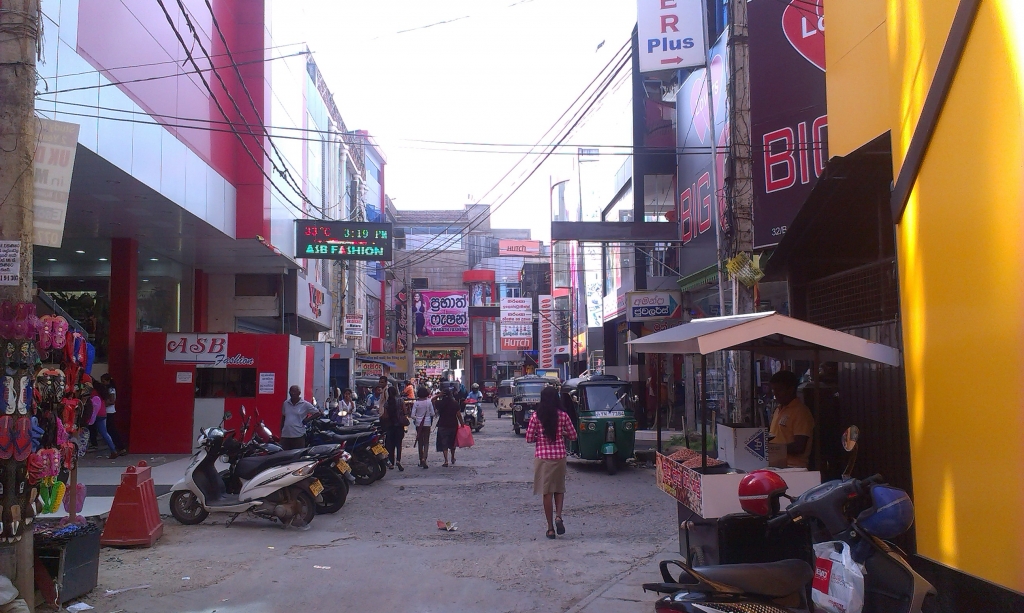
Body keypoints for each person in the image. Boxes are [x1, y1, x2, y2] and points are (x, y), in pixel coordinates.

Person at [526, 386, 577, 539]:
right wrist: (562, 433)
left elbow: (529, 438)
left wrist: (540, 437)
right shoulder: (563, 415)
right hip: (559, 456)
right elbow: (573, 436)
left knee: (546, 492)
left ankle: (550, 529)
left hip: (543, 458)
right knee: (559, 488)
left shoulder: (536, 416)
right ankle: (558, 516)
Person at [768, 370, 814, 468]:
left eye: (779, 390)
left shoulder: (801, 412)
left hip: (793, 467)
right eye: (773, 390)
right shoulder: (778, 409)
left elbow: (799, 446)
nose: (775, 394)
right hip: (776, 465)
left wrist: (772, 448)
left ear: (791, 389)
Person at [434, 387, 464, 467]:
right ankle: (452, 457)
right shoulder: (455, 403)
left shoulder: (440, 403)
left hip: (442, 425)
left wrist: (438, 395)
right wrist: (462, 424)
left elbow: (432, 400)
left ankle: (446, 461)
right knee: (452, 442)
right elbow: (459, 415)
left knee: (444, 443)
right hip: (453, 425)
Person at [98, 373, 127, 456]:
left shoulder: (111, 390)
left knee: (112, 430)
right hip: (108, 411)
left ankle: (120, 447)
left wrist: (103, 405)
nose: (103, 383)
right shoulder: (108, 389)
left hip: (109, 412)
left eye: (104, 381)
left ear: (108, 381)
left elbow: (112, 401)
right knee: (110, 430)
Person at [280, 385, 316, 450]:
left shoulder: (305, 404)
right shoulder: (286, 403)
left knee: (297, 454)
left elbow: (318, 413)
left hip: (298, 435)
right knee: (284, 454)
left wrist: (307, 420)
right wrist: (281, 429)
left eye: (294, 391)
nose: (292, 393)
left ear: (299, 393)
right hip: (286, 435)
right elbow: (284, 417)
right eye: (291, 391)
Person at [409, 385, 435, 468]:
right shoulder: (429, 402)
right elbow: (433, 413)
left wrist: (417, 418)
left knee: (420, 442)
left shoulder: (416, 403)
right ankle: (424, 458)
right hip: (427, 423)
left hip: (418, 424)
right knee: (426, 442)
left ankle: (421, 460)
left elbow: (412, 415)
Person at [382, 385, 406, 471]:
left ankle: (391, 463)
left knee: (390, 445)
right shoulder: (400, 400)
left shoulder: (387, 403)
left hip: (390, 426)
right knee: (399, 444)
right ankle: (398, 460)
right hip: (399, 425)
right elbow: (405, 411)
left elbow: (385, 415)